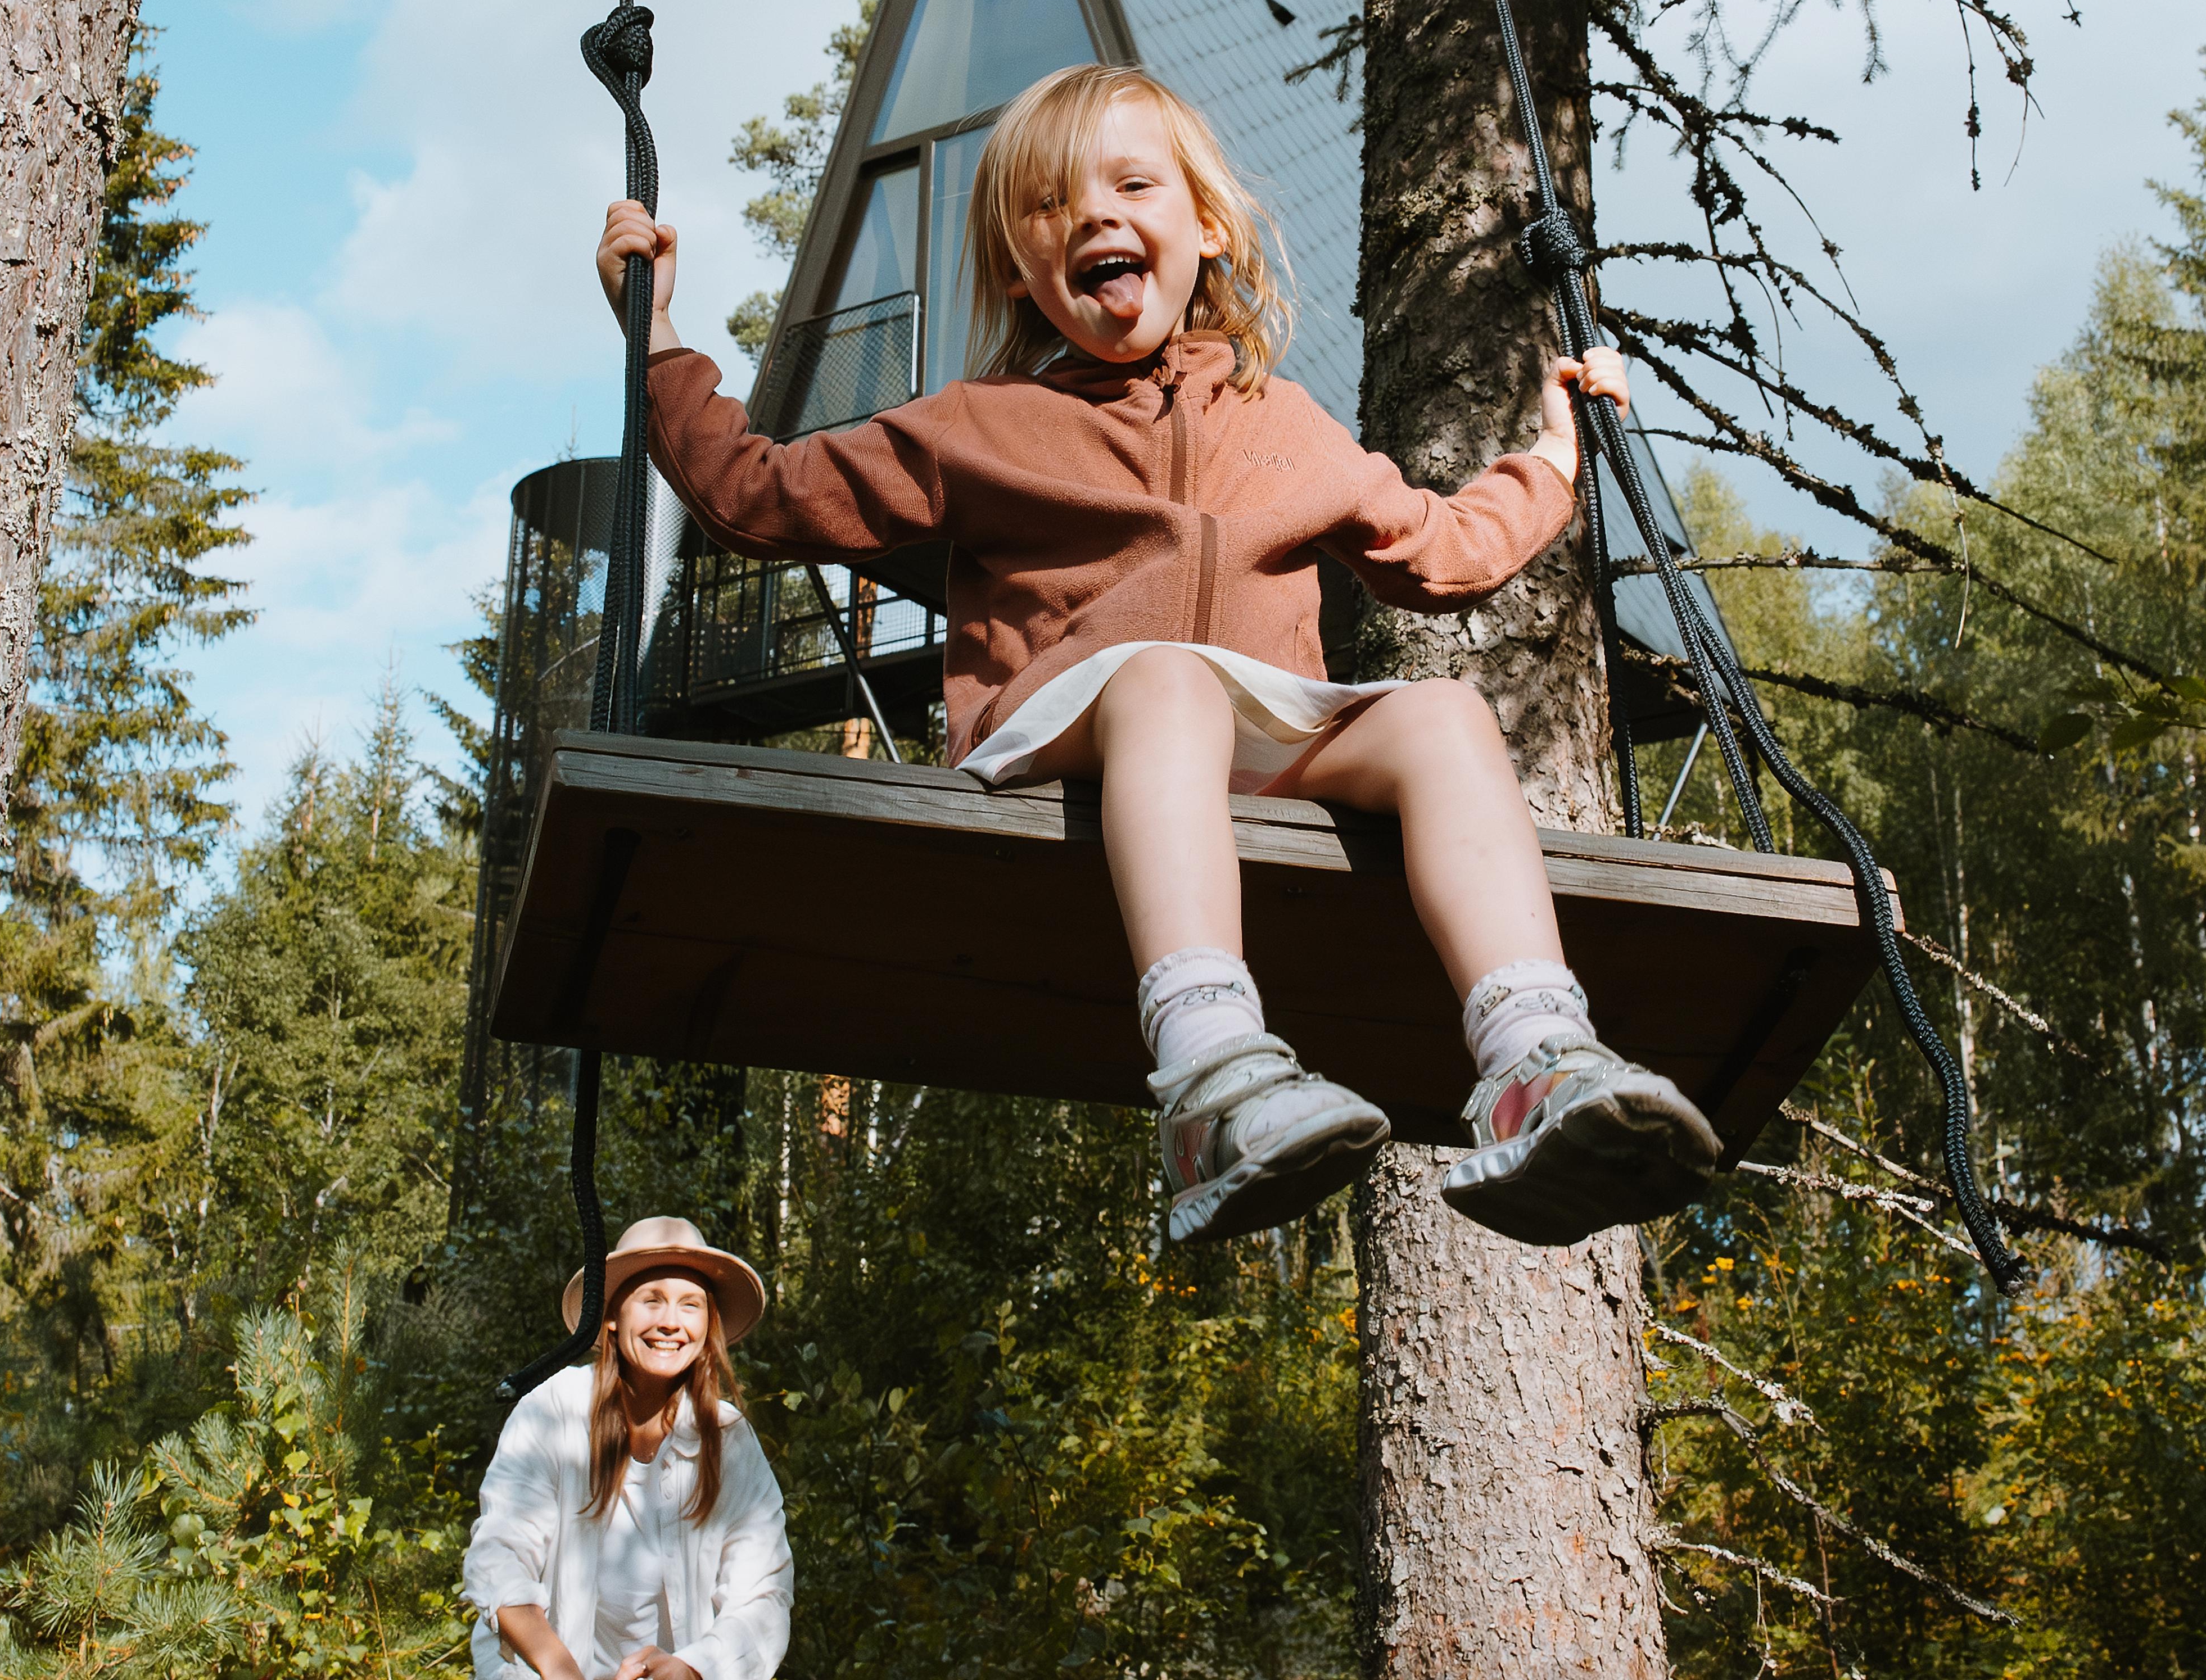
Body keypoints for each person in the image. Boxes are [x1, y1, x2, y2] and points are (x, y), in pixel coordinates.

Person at [595, 62, 1722, 1249]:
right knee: (1167, 677)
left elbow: (1442, 550)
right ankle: (1209, 1072)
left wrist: (1552, 455)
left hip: (1243, 725)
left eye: (1132, 184)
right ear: (1016, 268)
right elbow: (755, 496)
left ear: (1206, 227)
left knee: (1441, 711)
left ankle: (1534, 1057)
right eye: (1048, 207)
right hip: (1062, 724)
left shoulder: (1281, 423)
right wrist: (656, 330)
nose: (1090, 216)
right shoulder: (978, 427)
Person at [462, 1216, 793, 1680]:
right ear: (613, 1315)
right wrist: (562, 1670)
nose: (671, 1323)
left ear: (708, 1324)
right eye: (652, 1300)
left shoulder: (728, 1437)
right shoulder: (553, 1410)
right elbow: (499, 1555)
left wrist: (693, 1668)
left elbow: (763, 1594)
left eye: (691, 1304)